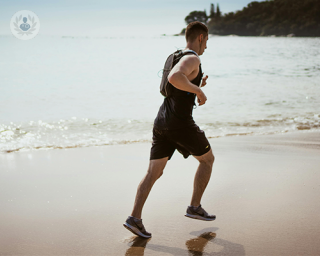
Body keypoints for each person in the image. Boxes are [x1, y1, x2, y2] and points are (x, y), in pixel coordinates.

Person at [123, 21, 215, 239]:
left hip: (162, 122)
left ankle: (134, 218)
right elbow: (175, 78)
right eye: (207, 41)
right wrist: (199, 92)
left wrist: (194, 85)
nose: (207, 47)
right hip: (179, 124)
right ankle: (194, 206)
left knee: (154, 172)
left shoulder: (174, 56)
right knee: (207, 160)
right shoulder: (193, 58)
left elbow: (172, 87)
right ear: (200, 38)